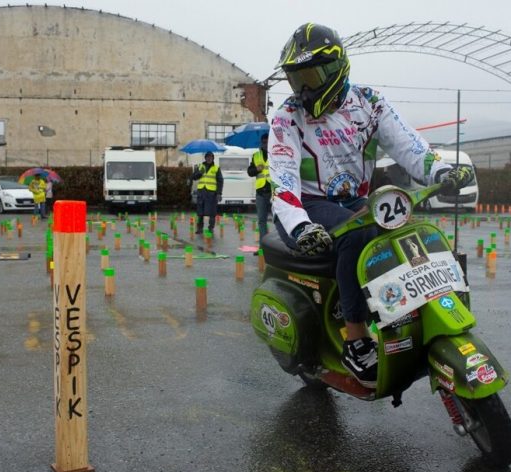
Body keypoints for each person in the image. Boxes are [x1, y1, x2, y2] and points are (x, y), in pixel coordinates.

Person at [269, 23, 472, 388]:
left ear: (335, 68)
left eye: (310, 77)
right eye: (296, 80)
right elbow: (283, 180)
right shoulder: (288, 117)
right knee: (359, 234)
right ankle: (356, 338)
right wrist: (300, 225)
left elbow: (412, 148)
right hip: (307, 204)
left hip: (353, 201)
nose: (303, 89)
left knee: (406, 232)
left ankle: (407, 313)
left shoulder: (370, 103)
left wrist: (441, 171)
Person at [247, 133, 272, 248]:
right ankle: (263, 247)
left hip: (274, 192)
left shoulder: (276, 154)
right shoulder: (256, 156)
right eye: (263, 142)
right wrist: (256, 169)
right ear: (261, 143)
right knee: (262, 221)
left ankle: (279, 247)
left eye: (267, 142)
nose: (265, 144)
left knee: (278, 220)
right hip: (261, 192)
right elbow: (250, 172)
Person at [191, 151, 223, 234]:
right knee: (200, 212)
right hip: (201, 192)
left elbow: (220, 181)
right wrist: (199, 173)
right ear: (205, 158)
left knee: (212, 212)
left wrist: (219, 193)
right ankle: (199, 228)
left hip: (212, 193)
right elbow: (193, 177)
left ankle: (210, 228)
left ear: (213, 158)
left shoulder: (216, 168)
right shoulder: (200, 166)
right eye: (207, 157)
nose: (209, 158)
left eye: (211, 157)